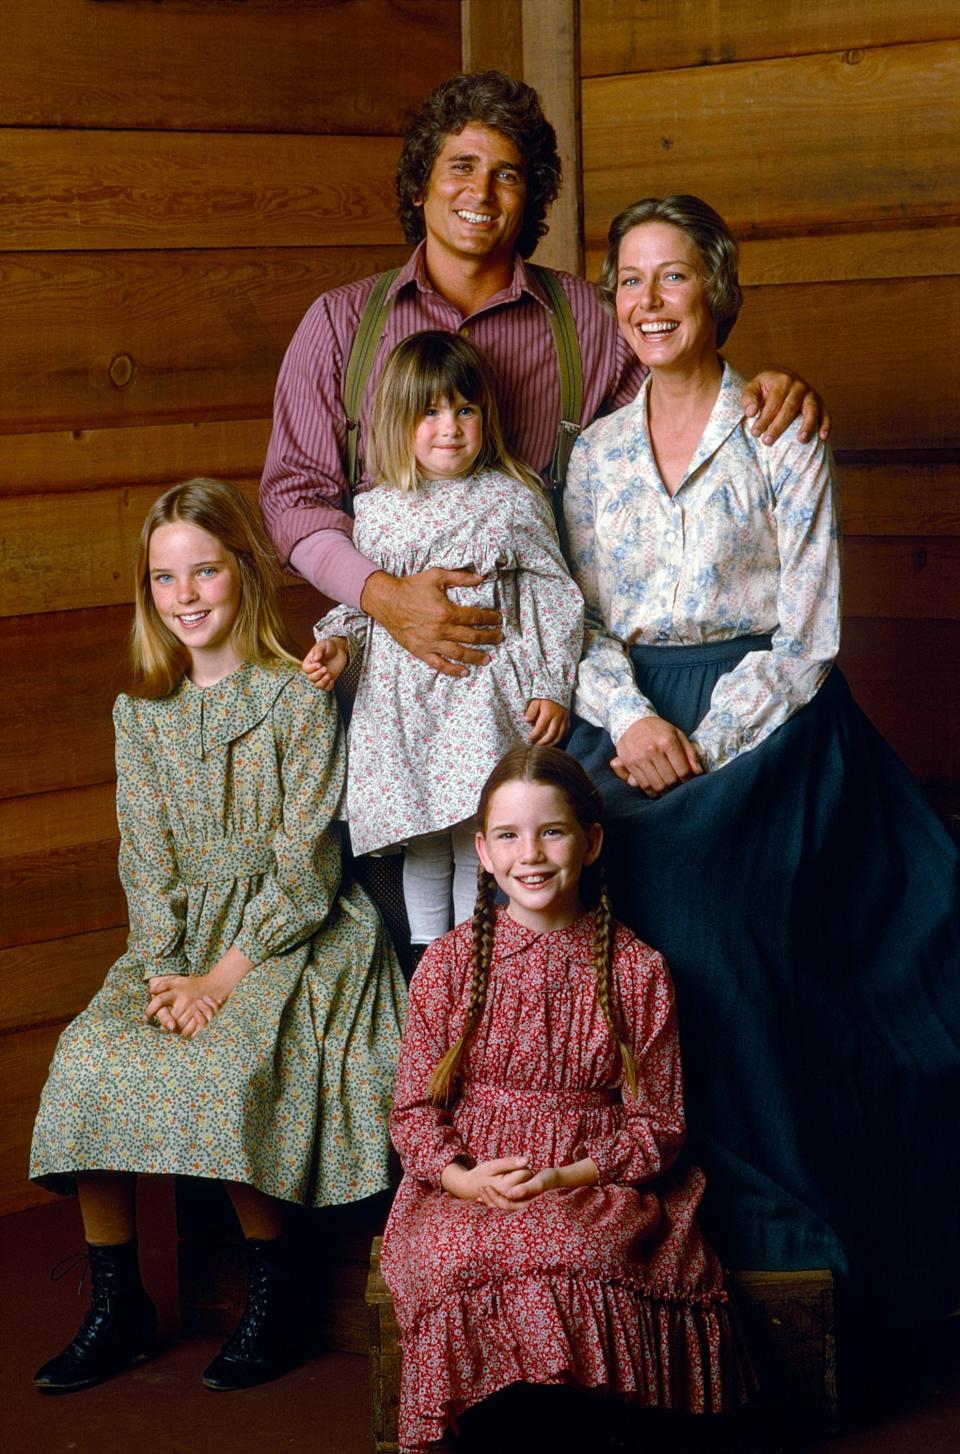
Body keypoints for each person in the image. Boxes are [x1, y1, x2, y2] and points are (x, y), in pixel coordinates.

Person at [563, 195, 960, 1378]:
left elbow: (807, 633)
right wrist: (630, 715)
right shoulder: (593, 452)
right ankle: (617, 1202)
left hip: (770, 719)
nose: (648, 301)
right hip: (627, 715)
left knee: (701, 907)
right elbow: (572, 616)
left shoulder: (781, 432)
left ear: (717, 290)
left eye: (672, 277)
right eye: (629, 281)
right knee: (576, 876)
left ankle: (770, 1220)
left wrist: (706, 733)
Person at [29, 478, 406, 1395]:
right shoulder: (142, 717)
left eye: (205, 570)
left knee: (230, 1060)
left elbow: (308, 869)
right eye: (165, 579)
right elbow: (146, 866)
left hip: (291, 933)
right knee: (88, 1058)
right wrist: (165, 975)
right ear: (147, 594)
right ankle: (119, 1305)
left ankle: (273, 1298)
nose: (187, 595)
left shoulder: (295, 696)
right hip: (184, 940)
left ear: (244, 572)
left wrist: (221, 980)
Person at [260, 70, 828, 678]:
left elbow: (686, 387)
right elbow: (294, 501)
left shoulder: (592, 321)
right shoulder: (339, 324)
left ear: (529, 197)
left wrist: (769, 386)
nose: (480, 192)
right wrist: (383, 597)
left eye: (506, 174)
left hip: (543, 678)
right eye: (460, 166)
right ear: (419, 186)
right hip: (385, 670)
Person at [380, 745, 753, 1454]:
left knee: (574, 1250)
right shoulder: (450, 963)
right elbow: (414, 1112)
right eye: (510, 836)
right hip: (470, 1180)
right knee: (466, 1255)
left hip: (592, 1179)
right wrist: (462, 1176)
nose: (532, 853)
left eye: (552, 831)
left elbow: (658, 1127)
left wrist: (563, 1177)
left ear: (592, 842)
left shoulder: (637, 970)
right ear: (483, 853)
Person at [302, 332, 583, 954]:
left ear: (486, 416)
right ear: (399, 422)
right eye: (429, 412)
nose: (449, 428)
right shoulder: (378, 511)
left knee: (480, 840)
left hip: (481, 701)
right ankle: (435, 969)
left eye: (464, 410)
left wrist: (552, 687)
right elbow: (363, 607)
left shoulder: (512, 499)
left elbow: (554, 600)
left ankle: (481, 964)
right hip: (407, 715)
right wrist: (338, 649)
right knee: (427, 847)